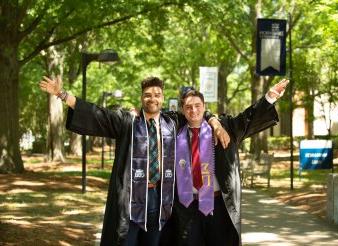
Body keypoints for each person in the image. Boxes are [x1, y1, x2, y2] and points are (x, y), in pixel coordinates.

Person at [39, 76, 229, 246]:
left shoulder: (172, 122)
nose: (152, 98)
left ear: (163, 98)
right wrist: (62, 94)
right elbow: (98, 113)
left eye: (157, 94)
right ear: (141, 98)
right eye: (147, 95)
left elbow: (196, 110)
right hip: (132, 197)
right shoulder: (128, 122)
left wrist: (215, 122)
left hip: (160, 197)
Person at [170, 79, 289, 246]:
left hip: (219, 207)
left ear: (204, 107)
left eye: (197, 105)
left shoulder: (225, 128)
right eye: (188, 107)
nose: (193, 110)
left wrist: (269, 97)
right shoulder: (175, 130)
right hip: (187, 207)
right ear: (182, 110)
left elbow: (248, 119)